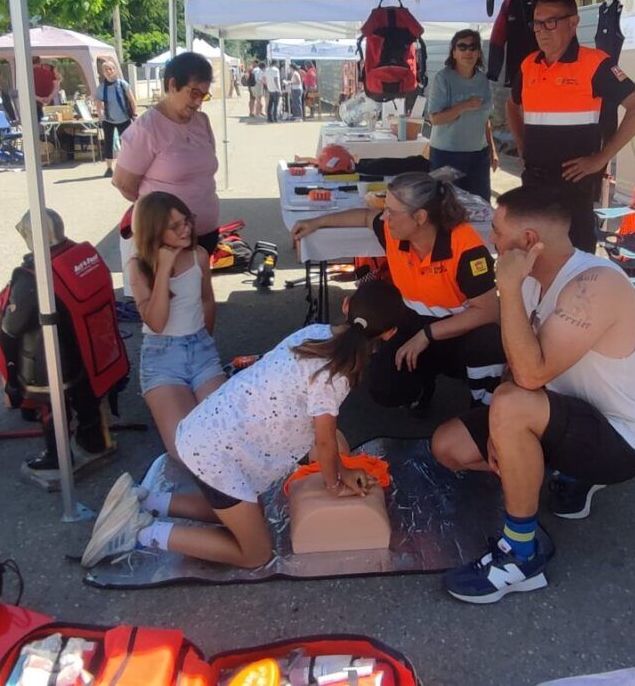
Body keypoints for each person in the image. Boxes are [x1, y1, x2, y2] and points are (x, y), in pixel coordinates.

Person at [435, 184, 635, 604]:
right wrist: (501, 430)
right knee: (448, 446)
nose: (491, 240)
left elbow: (530, 372)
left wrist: (505, 289)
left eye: (497, 232)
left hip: (621, 437)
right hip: (558, 415)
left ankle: (521, 556)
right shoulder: (528, 281)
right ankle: (556, 474)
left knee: (510, 402)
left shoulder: (594, 284)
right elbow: (512, 367)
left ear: (527, 242)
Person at [81, 279, 408, 569]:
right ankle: (138, 532)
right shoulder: (336, 375)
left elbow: (314, 424)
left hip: (206, 433)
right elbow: (323, 442)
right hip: (216, 456)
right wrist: (337, 482)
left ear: (346, 304)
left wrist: (336, 463)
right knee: (255, 554)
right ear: (390, 333)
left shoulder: (315, 334)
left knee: (247, 511)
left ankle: (145, 500)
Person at [291, 173, 505, 414]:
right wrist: (317, 222)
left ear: (420, 217)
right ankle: (423, 387)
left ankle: (484, 409)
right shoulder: (396, 234)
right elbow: (364, 216)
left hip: (462, 332)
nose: (385, 217)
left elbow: (489, 311)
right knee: (384, 387)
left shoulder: (467, 249)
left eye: (392, 212)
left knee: (489, 342)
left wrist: (427, 335)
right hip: (412, 323)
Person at [505, 0, 635, 252]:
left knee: (576, 264)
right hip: (534, 183)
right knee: (533, 257)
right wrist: (521, 144)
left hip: (573, 189)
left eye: (550, 22)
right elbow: (512, 105)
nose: (541, 30)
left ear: (573, 22)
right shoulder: (529, 64)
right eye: (537, 23)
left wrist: (601, 158)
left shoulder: (595, 64)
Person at [0, 209, 123, 479]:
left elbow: (12, 325)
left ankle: (56, 458)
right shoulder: (79, 255)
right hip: (85, 350)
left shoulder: (32, 275)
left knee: (52, 409)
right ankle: (96, 441)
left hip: (46, 359)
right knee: (87, 399)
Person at [129, 191, 226, 460]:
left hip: (200, 349)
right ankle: (162, 497)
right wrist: (163, 270)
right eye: (175, 226)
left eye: (187, 220)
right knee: (186, 448)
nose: (187, 229)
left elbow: (207, 301)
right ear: (155, 231)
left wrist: (205, 339)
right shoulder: (138, 267)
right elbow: (157, 323)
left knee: (225, 432)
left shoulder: (199, 255)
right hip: (162, 358)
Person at [113, 52, 222, 254]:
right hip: (166, 239)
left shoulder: (202, 121)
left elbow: (206, 169)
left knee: (199, 284)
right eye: (194, 93)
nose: (199, 102)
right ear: (172, 85)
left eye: (204, 95)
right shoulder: (146, 129)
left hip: (206, 232)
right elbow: (123, 183)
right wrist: (161, 213)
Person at [427, 30, 498, 202]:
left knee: (480, 206)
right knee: (445, 206)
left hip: (478, 155)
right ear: (454, 52)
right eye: (462, 47)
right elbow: (435, 119)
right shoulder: (442, 78)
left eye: (473, 47)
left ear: (479, 53)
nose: (468, 52)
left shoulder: (483, 80)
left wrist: (492, 149)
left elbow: (485, 119)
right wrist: (464, 106)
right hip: (446, 154)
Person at [94, 60, 138, 179]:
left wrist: (135, 113)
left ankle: (127, 167)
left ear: (115, 70)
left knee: (126, 143)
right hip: (108, 119)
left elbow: (132, 100)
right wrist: (100, 116)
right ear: (103, 72)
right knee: (108, 143)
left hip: (124, 118)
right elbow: (98, 103)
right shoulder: (101, 88)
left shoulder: (122, 84)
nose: (109, 72)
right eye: (106, 70)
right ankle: (109, 168)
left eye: (111, 69)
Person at [32, 56, 60, 123]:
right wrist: (49, 98)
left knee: (36, 126)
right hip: (49, 103)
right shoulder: (49, 73)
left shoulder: (27, 74)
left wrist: (39, 99)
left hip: (33, 104)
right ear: (40, 63)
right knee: (50, 125)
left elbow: (25, 91)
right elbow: (56, 87)